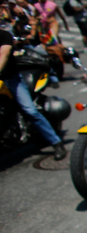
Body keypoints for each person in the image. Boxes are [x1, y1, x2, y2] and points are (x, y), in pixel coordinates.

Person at [0, 28, 66, 160]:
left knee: (30, 110)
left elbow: (4, 54)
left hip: (11, 80)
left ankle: (56, 143)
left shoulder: (4, 35)